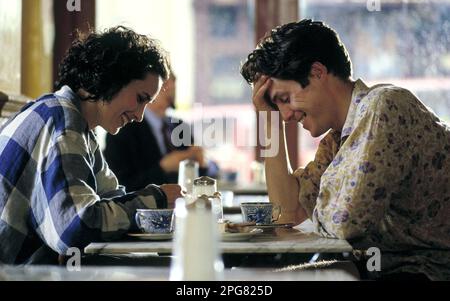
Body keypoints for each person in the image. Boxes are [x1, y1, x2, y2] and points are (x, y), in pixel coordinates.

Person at [240, 19, 450, 280]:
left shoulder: (383, 107)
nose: (284, 115)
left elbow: (344, 224)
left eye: (284, 99)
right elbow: (288, 212)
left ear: (317, 72)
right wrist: (268, 122)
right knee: (254, 278)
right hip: (376, 268)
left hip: (425, 270)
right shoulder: (337, 140)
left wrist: (321, 209)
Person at [0, 26, 182, 264]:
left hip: (29, 268)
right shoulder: (62, 122)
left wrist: (157, 206)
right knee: (171, 269)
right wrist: (156, 198)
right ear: (112, 79)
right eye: (140, 99)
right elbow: (76, 226)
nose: (139, 116)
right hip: (11, 273)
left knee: (166, 265)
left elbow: (111, 198)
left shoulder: (81, 127)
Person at [104, 72, 219, 191]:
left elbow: (209, 171)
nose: (171, 90)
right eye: (164, 85)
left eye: (173, 84)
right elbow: (120, 186)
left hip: (183, 204)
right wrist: (163, 168)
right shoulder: (123, 129)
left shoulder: (180, 126)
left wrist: (204, 163)